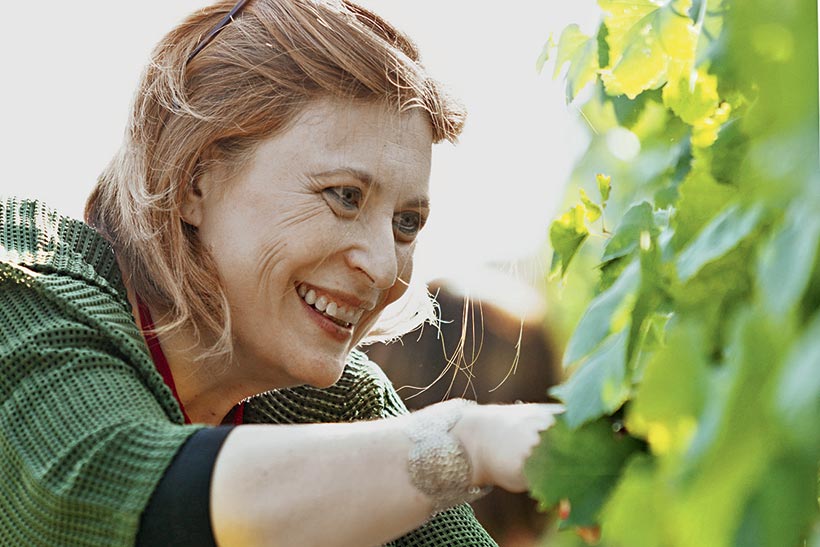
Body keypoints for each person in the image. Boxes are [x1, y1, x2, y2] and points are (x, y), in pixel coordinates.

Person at [0, 0, 560, 545]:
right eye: (344, 196)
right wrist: (465, 444)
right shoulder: (24, 283)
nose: (384, 264)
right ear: (195, 178)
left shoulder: (336, 403)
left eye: (406, 223)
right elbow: (123, 493)